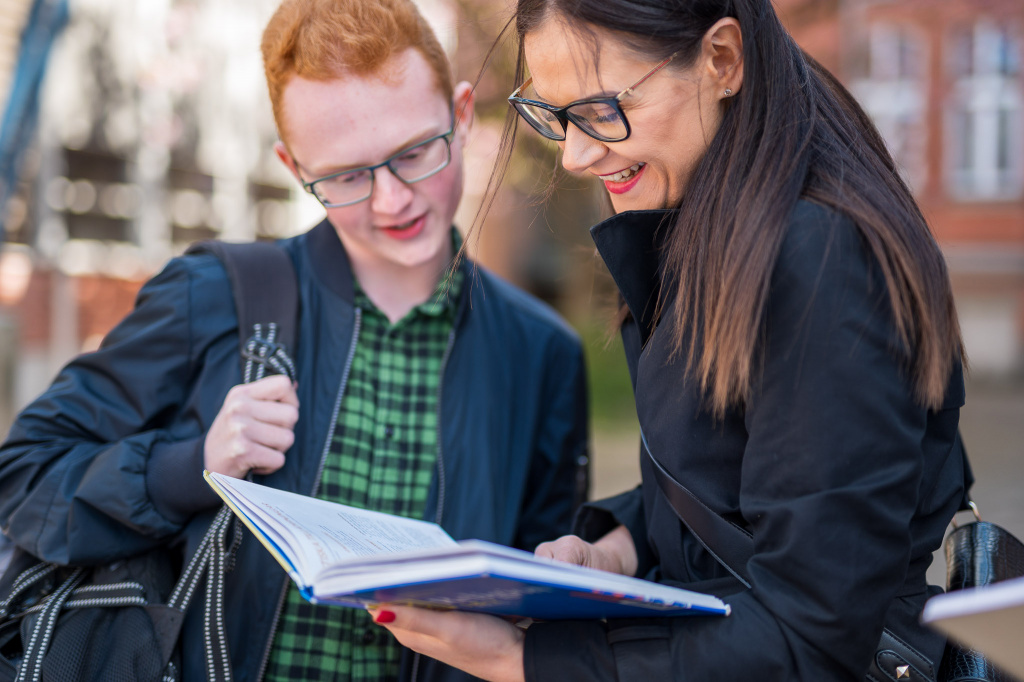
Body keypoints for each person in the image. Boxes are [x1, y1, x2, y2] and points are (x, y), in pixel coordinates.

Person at [368, 0, 968, 680]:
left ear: (721, 61)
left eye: (600, 110)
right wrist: (621, 546)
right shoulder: (709, 217)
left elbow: (815, 633)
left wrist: (525, 659)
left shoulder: (820, 257)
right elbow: (735, 479)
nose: (574, 156)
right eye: (554, 114)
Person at [0, 0, 589, 680]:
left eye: (414, 153)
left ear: (459, 116)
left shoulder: (544, 355)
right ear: (292, 164)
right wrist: (193, 466)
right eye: (345, 176)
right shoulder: (214, 293)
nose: (392, 200)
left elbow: (544, 612)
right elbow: (23, 478)